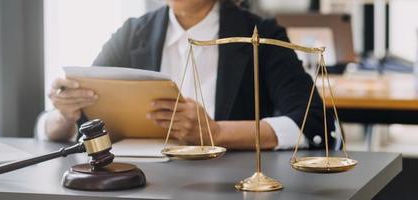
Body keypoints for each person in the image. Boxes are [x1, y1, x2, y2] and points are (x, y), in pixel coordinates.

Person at [43, 0, 334, 150]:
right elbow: (83, 117)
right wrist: (64, 114)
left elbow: (314, 123)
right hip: (140, 185)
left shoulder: (261, 35)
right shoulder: (132, 34)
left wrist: (216, 133)